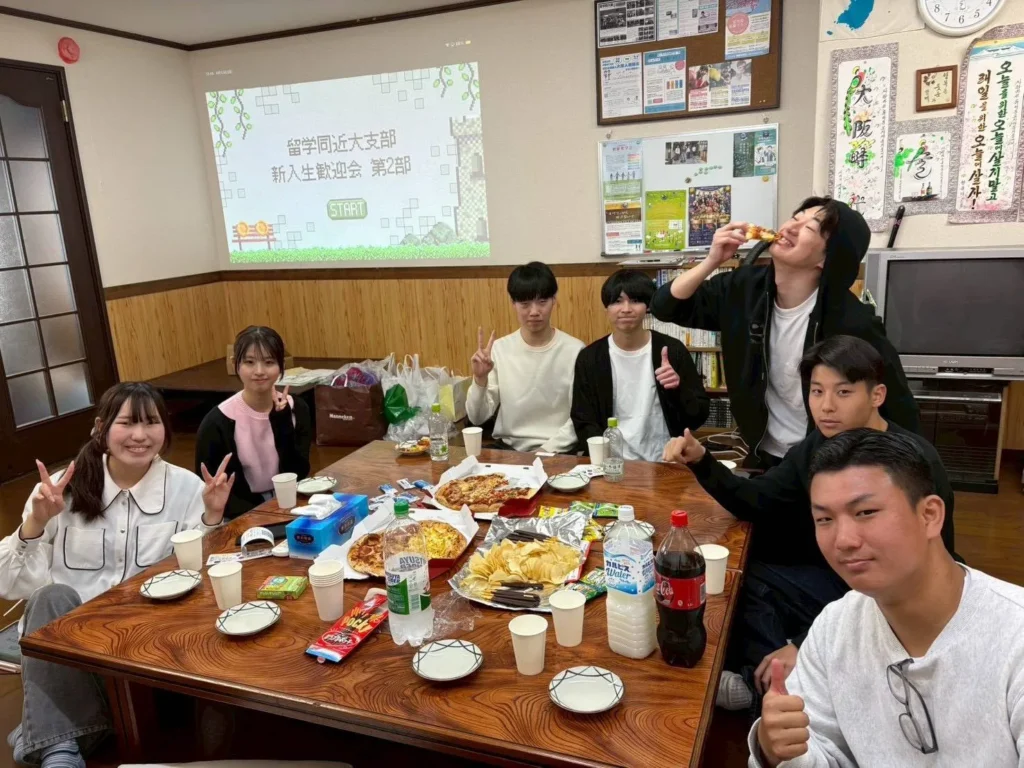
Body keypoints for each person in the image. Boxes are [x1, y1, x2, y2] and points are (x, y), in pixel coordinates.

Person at [664, 335, 954, 712]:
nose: (826, 406)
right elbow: (758, 498)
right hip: (836, 576)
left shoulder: (911, 461)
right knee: (742, 574)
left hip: (890, 593)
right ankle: (771, 685)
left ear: (877, 395)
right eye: (817, 391)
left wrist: (803, 643)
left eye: (843, 392)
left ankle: (782, 689)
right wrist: (702, 460)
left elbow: (920, 576)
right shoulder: (820, 445)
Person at [750, 429, 1024, 767]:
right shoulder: (834, 629)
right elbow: (822, 754)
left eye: (865, 512)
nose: (844, 540)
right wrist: (778, 750)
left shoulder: (1014, 639)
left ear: (930, 515)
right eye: (825, 519)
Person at [0, 382, 233, 768]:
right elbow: (9, 585)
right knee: (50, 597)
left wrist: (212, 516)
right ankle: (59, 750)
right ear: (101, 427)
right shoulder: (60, 489)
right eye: (127, 423)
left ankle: (45, 730)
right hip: (75, 646)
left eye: (151, 422)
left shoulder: (188, 488)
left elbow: (203, 576)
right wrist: (35, 523)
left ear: (165, 429)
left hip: (148, 645)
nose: (140, 435)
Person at [650, 197, 919, 468]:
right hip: (764, 454)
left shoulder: (852, 322)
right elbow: (665, 307)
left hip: (829, 459)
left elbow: (898, 406)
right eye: (795, 218)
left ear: (827, 258)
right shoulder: (743, 289)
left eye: (810, 228)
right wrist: (713, 260)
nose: (790, 228)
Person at [572, 270, 709, 460]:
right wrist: (603, 460)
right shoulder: (590, 358)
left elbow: (698, 416)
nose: (626, 309)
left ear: (648, 306)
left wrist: (678, 388)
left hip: (666, 460)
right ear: (606, 308)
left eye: (635, 300)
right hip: (612, 463)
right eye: (617, 301)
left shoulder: (672, 350)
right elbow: (583, 419)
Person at [466, 262, 584, 453]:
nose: (534, 312)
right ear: (513, 303)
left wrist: (545, 452)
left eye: (542, 302)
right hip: (509, 450)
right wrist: (480, 380)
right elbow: (477, 418)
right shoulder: (499, 349)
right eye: (525, 304)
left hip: (557, 451)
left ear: (554, 300)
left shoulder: (575, 350)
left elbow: (579, 417)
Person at [196, 326, 311, 519]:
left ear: (281, 365)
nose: (259, 371)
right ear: (235, 364)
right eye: (249, 362)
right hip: (240, 513)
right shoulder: (217, 421)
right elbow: (210, 487)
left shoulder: (297, 409)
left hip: (292, 501)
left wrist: (281, 423)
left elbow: (299, 472)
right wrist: (260, 515)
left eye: (269, 362)